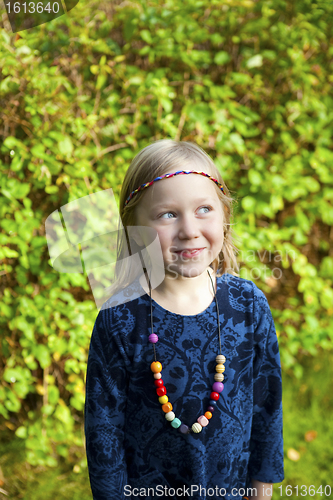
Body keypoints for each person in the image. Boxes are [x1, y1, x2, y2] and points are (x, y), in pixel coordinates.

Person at [84, 140, 284, 500]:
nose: (189, 229)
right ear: (134, 228)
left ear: (224, 213)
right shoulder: (119, 319)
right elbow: (104, 430)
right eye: (168, 214)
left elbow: (267, 403)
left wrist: (262, 486)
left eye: (204, 209)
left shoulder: (248, 304)